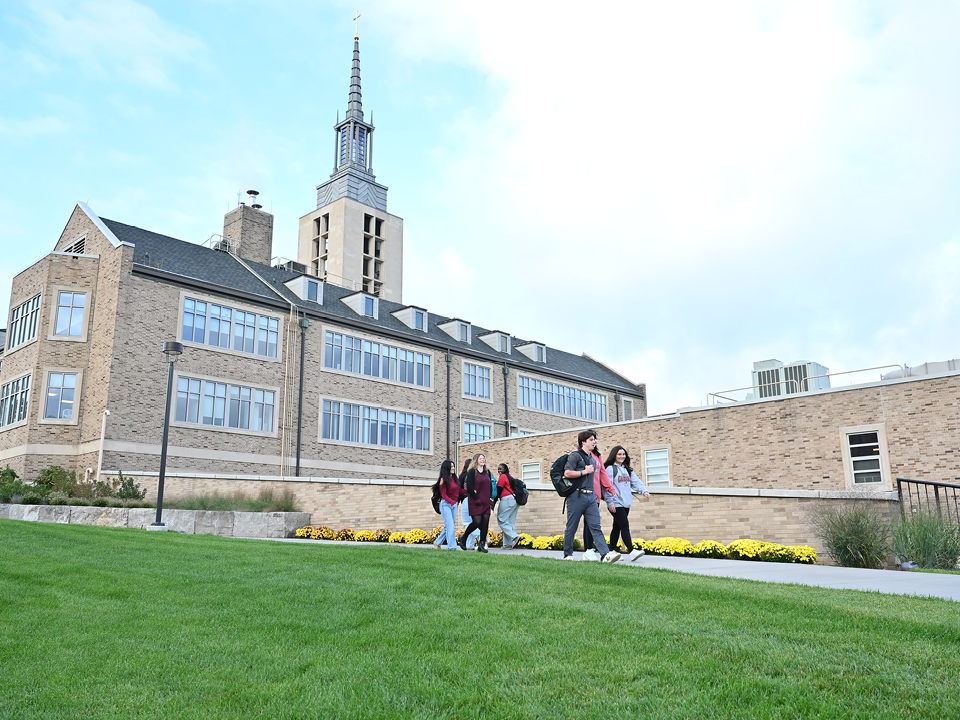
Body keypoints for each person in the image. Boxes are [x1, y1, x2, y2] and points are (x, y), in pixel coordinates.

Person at [562, 430, 621, 563]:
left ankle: (605, 555)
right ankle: (568, 554)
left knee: (596, 527)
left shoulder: (593, 459)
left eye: (595, 439)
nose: (595, 442)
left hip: (591, 497)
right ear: (583, 442)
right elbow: (567, 473)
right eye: (591, 439)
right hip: (576, 496)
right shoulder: (575, 456)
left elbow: (602, 474)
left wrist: (609, 488)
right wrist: (584, 471)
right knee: (572, 526)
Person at [603, 445, 650, 562]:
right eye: (619, 454)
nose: (622, 456)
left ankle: (611, 551)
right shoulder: (610, 469)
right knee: (624, 525)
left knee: (617, 527)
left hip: (626, 503)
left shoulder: (627, 469)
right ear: (614, 455)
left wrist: (644, 491)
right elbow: (606, 487)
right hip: (616, 503)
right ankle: (632, 551)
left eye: (623, 454)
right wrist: (610, 502)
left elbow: (636, 482)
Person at [459, 453, 496, 553]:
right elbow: (469, 486)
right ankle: (464, 537)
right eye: (480, 458)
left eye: (483, 458)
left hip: (486, 501)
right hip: (475, 501)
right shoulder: (472, 472)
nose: (482, 460)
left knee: (485, 523)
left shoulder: (487, 472)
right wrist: (475, 497)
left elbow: (490, 486)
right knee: (477, 522)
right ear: (476, 460)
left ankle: (482, 544)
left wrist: (491, 498)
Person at [432, 459, 462, 549]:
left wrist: (470, 491)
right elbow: (443, 494)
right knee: (451, 526)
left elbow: (459, 490)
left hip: (454, 504)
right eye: (452, 466)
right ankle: (452, 547)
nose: (453, 468)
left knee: (449, 525)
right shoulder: (443, 480)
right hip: (446, 505)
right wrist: (451, 502)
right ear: (447, 468)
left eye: (453, 466)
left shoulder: (454, 478)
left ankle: (437, 542)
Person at [496, 463, 521, 549]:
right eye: (498, 469)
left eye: (500, 469)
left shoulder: (503, 477)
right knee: (509, 522)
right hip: (514, 500)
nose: (499, 470)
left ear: (505, 469)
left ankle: (514, 536)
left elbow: (499, 490)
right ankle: (508, 544)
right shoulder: (509, 476)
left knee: (501, 519)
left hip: (507, 499)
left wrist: (494, 501)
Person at [457, 458, 480, 550]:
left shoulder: (463, 476)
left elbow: (459, 490)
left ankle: (483, 537)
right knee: (472, 523)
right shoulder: (477, 475)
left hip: (467, 500)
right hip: (477, 500)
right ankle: (470, 545)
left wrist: (458, 500)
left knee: (467, 522)